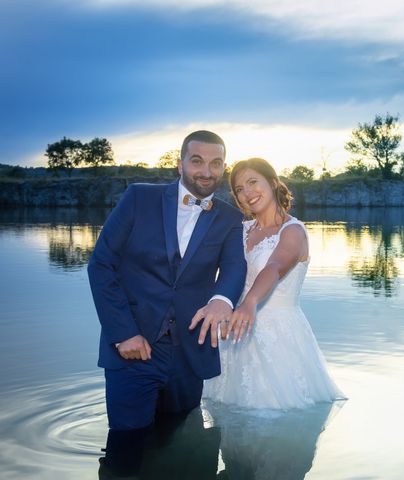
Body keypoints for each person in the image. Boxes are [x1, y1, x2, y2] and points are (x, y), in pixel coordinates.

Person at [88, 130, 246, 474]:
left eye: (216, 163)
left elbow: (235, 267)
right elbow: (101, 265)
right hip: (133, 349)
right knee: (125, 448)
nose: (207, 171)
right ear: (180, 164)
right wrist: (122, 333)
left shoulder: (230, 218)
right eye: (197, 161)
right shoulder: (138, 198)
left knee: (183, 447)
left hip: (191, 352)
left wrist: (222, 299)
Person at [201, 157, 344, 409]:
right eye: (239, 189)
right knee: (226, 414)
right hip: (234, 332)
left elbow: (274, 267)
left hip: (279, 337)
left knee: (276, 414)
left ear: (274, 183)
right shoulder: (239, 230)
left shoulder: (293, 231)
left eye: (253, 182)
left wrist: (250, 302)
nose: (247, 193)